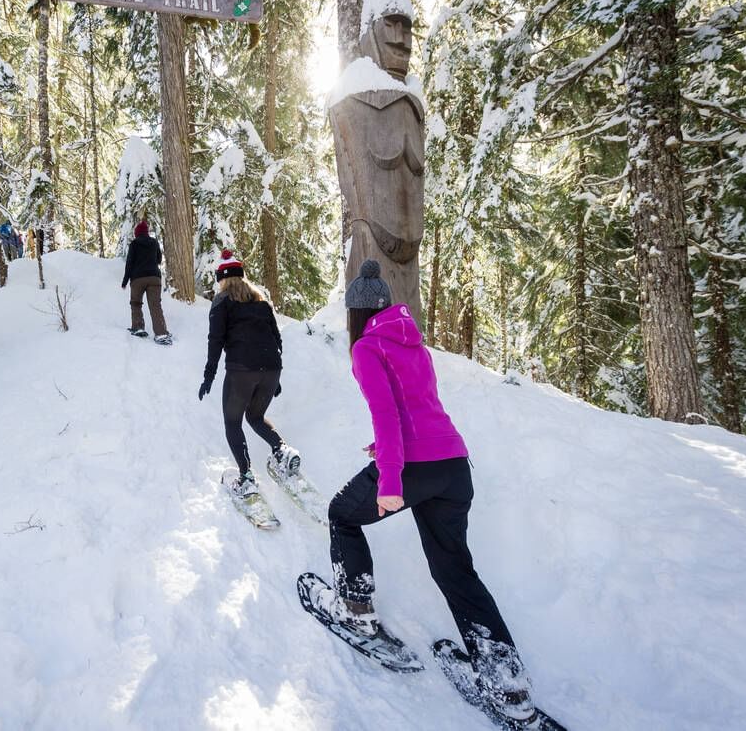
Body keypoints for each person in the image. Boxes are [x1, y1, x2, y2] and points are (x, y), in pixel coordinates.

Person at [313, 258, 536, 722]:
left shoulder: (367, 348)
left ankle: (356, 608)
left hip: (414, 468)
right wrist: (384, 449)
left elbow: (388, 414)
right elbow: (419, 408)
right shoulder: (414, 343)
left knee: (341, 513)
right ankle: (507, 684)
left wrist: (391, 478)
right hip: (454, 466)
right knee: (455, 569)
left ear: (355, 314)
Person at [198, 250, 300, 498]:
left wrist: (209, 375)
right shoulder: (261, 303)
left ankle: (246, 477)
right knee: (255, 416)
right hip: (271, 367)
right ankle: (282, 451)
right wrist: (273, 376)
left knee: (233, 422)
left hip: (242, 371)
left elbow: (216, 341)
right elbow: (276, 339)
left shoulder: (222, 303)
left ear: (222, 279)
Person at [121, 220, 171, 344]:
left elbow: (129, 263)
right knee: (155, 305)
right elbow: (159, 259)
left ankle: (138, 327)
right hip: (154, 278)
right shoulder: (154, 242)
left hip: (137, 279)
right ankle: (161, 334)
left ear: (137, 233)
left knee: (136, 303)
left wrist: (125, 281)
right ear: (146, 233)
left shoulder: (134, 244)